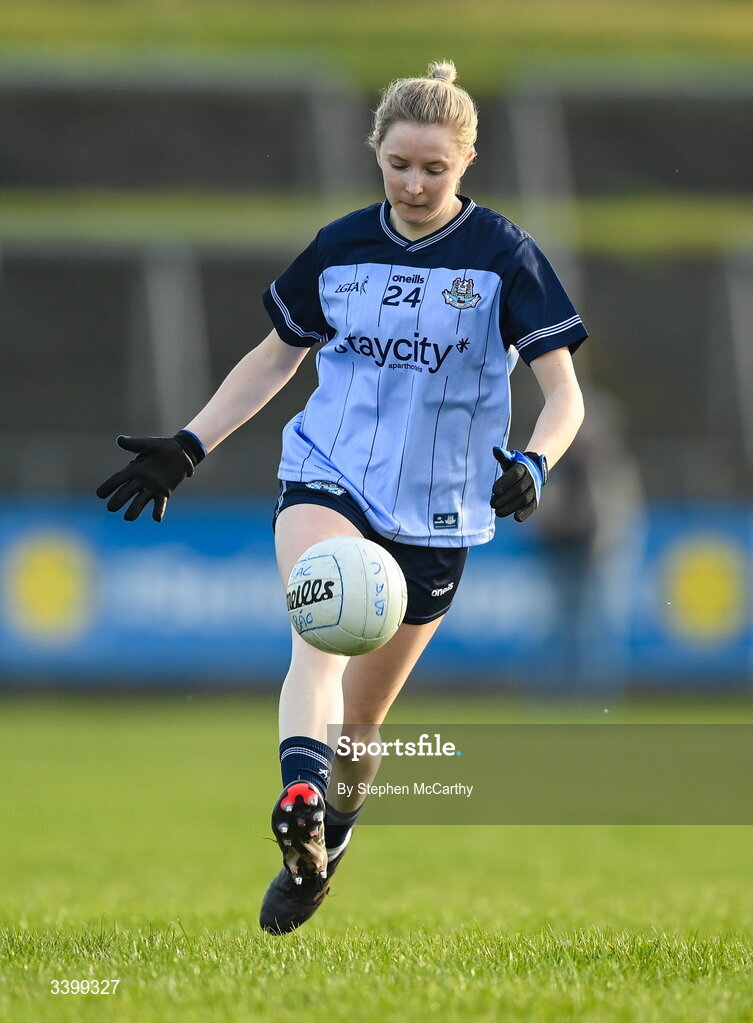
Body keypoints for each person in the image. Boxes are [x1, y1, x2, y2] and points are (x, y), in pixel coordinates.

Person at [96, 60, 588, 933]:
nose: (413, 181)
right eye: (398, 163)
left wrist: (536, 462)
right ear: (376, 154)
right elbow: (276, 354)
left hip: (437, 511)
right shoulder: (341, 246)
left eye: (433, 167)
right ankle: (297, 792)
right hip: (327, 473)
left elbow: (564, 396)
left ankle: (330, 834)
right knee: (318, 637)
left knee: (361, 724)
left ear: (466, 160)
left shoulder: (503, 255)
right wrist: (190, 443)